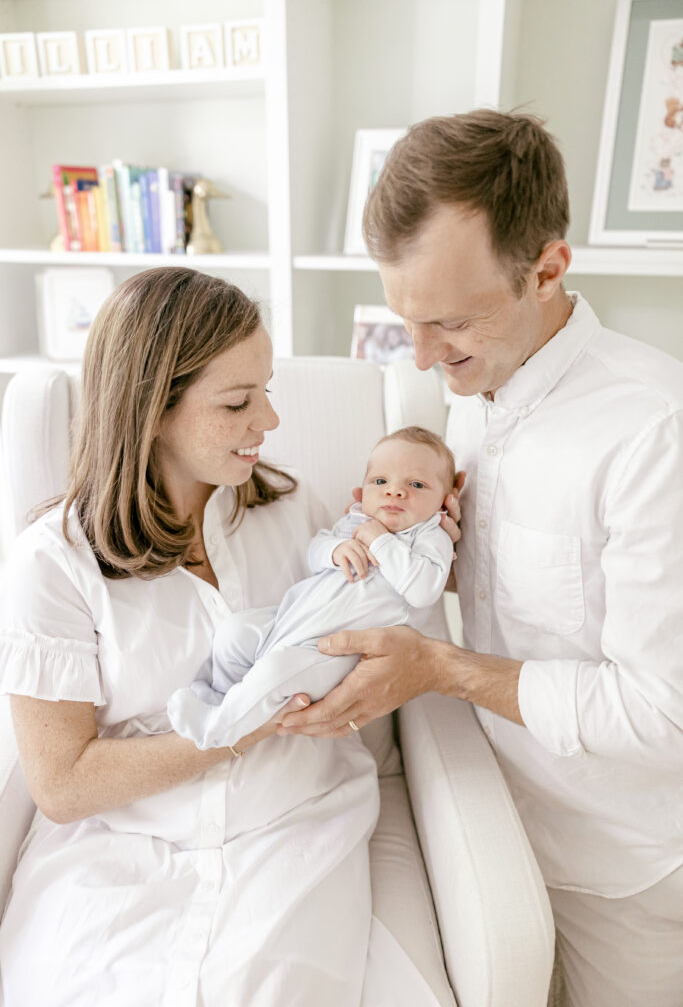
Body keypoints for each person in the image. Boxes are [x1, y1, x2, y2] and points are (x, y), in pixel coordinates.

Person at [278, 110, 683, 1007]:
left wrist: (437, 668)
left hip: (621, 869)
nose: (422, 358)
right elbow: (516, 583)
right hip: (485, 818)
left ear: (546, 269)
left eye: (451, 321)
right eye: (406, 322)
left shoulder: (654, 430)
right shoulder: (470, 395)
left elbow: (664, 713)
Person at [0, 266, 458, 1007]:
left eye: (267, 391)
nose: (268, 422)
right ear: (151, 410)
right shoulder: (51, 562)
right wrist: (239, 729)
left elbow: (378, 624)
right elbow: (62, 783)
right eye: (238, 402)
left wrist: (420, 541)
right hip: (122, 851)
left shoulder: (292, 511)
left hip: (291, 829)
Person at [167, 427, 455, 750]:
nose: (395, 492)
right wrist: (334, 551)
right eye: (380, 482)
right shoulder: (355, 521)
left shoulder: (431, 537)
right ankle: (217, 695)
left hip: (331, 652)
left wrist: (381, 540)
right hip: (285, 621)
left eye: (416, 484)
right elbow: (315, 550)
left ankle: (218, 729)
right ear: (363, 489)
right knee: (234, 632)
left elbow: (424, 591)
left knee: (276, 671)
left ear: (444, 502)